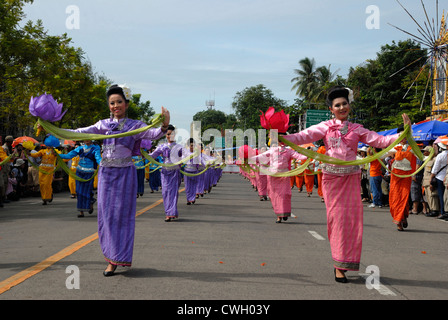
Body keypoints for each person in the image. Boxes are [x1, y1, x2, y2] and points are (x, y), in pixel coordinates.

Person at [282, 86, 410, 283]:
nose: (342, 107)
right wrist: (280, 137)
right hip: (332, 179)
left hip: (351, 178)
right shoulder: (324, 127)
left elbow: (381, 140)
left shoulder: (357, 129)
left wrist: (404, 134)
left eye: (344, 104)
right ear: (331, 109)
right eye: (337, 105)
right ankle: (338, 266)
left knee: (352, 222)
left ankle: (346, 262)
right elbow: (302, 137)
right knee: (337, 220)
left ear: (349, 106)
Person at [50, 84, 170, 276]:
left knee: (122, 216)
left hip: (125, 174)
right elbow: (79, 132)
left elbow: (154, 134)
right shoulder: (102, 125)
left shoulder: (135, 126)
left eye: (119, 102)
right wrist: (54, 129)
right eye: (112, 103)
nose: (116, 106)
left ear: (127, 104)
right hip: (106, 173)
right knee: (106, 215)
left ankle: (119, 257)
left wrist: (164, 125)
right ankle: (111, 259)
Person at [252, 136, 306, 223]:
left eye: (282, 140)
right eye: (279, 140)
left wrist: (311, 156)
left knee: (285, 194)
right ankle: (279, 215)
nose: (281, 142)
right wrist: (248, 158)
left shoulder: (289, 151)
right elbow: (260, 156)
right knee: (274, 196)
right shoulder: (272, 150)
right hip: (273, 176)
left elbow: (299, 156)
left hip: (284, 175)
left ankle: (284, 212)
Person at [59, 140, 102, 218]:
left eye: (88, 138)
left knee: (87, 191)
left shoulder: (95, 148)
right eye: (85, 138)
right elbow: (69, 156)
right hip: (79, 172)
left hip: (89, 173)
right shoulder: (80, 148)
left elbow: (98, 158)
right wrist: (57, 155)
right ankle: (81, 211)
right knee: (79, 191)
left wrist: (103, 164)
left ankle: (90, 203)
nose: (86, 140)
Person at [148, 124, 182, 222]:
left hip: (175, 172)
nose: (169, 136)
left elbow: (185, 156)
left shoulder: (179, 147)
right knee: (165, 192)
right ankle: (168, 213)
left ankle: (171, 213)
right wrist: (143, 153)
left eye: (171, 134)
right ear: (165, 135)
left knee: (174, 192)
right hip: (165, 172)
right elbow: (153, 155)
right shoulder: (162, 146)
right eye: (168, 134)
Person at [27, 136, 60, 205]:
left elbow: (61, 156)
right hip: (42, 169)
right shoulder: (42, 151)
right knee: (41, 184)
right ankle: (44, 199)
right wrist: (29, 153)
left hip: (49, 170)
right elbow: (36, 154)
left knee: (47, 184)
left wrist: (56, 154)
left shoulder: (55, 151)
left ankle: (48, 196)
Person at [431, 138, 448, 220]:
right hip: (446, 176)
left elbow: (435, 169)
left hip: (440, 177)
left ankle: (443, 212)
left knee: (441, 196)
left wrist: (431, 178)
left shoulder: (440, 155)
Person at [422, 146, 439, 216]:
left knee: (432, 196)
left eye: (425, 151)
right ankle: (431, 209)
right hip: (425, 181)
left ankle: (435, 210)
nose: (424, 153)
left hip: (430, 181)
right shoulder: (427, 160)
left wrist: (432, 182)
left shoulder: (435, 160)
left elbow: (435, 171)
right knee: (428, 197)